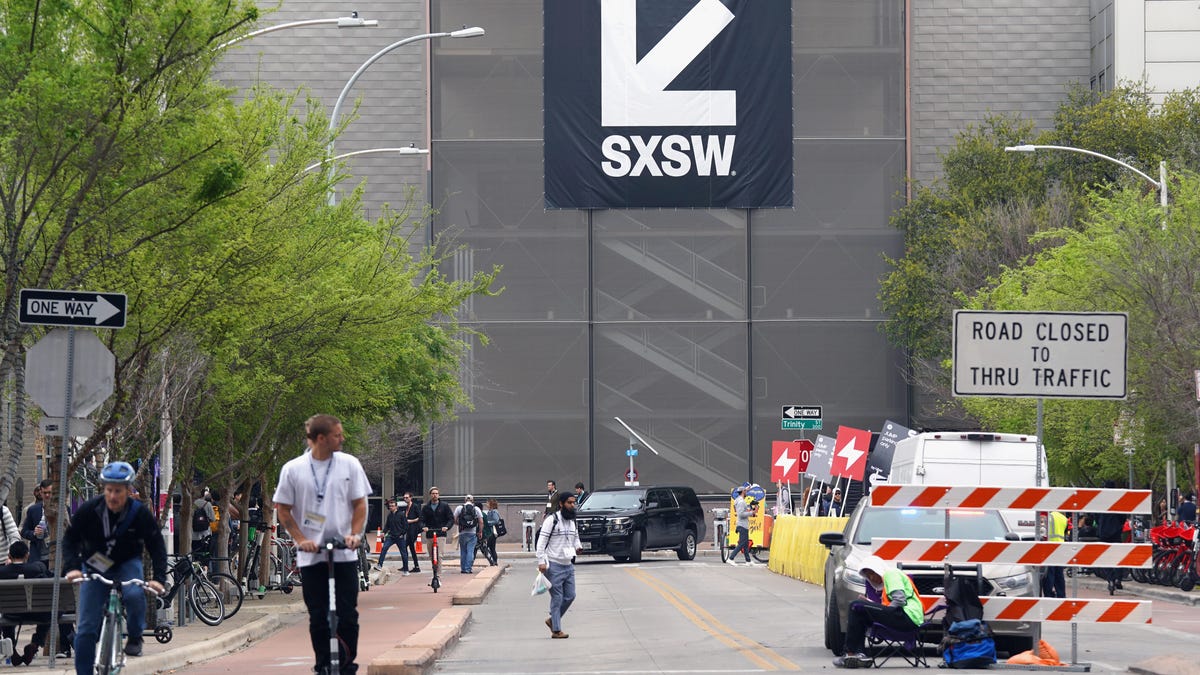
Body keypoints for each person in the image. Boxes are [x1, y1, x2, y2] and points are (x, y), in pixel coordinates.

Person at [274, 414, 371, 675]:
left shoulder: (349, 465)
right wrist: (300, 539)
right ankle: (323, 666)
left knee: (348, 616)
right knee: (318, 617)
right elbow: (283, 509)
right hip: (311, 557)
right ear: (321, 438)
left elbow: (360, 504)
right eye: (338, 435)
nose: (343, 438)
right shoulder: (293, 469)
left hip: (344, 555)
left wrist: (354, 535)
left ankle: (348, 665)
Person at [63, 461, 167, 672]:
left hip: (127, 563)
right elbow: (70, 540)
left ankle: (136, 636)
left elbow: (156, 545)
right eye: (109, 490)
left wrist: (159, 578)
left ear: (128, 491)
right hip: (94, 565)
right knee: (85, 627)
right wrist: (73, 567)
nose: (113, 496)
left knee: (134, 595)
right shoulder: (89, 510)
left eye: (118, 491)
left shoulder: (139, 513)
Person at [832, 555, 923, 668]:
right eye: (868, 576)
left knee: (855, 605)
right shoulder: (887, 580)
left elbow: (899, 600)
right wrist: (874, 607)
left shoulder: (891, 574)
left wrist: (876, 608)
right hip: (903, 618)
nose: (871, 578)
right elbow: (890, 606)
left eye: (872, 573)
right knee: (860, 612)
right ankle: (859, 654)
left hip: (907, 617)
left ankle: (849, 652)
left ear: (878, 569)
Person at [0, 540, 75, 665]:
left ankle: (12, 648)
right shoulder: (38, 567)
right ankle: (35, 643)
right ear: (27, 555)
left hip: (12, 614)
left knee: (7, 611)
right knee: (52, 611)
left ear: (9, 556)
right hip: (38, 613)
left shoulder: (2, 572)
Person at [536, 491, 582, 639]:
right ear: (561, 504)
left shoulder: (572, 520)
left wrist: (578, 546)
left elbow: (575, 537)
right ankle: (556, 630)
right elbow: (541, 542)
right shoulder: (552, 520)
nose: (572, 505)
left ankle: (552, 620)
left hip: (568, 564)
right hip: (553, 564)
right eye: (569, 503)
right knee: (557, 597)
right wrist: (541, 561)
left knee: (570, 596)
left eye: (574, 503)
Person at [1096, 479, 1127, 594]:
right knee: (1118, 557)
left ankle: (1110, 580)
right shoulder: (1118, 500)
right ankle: (1118, 578)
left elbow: (1095, 515)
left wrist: (1100, 525)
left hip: (1103, 532)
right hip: (1116, 532)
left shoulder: (1100, 500)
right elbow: (1123, 517)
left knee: (1105, 558)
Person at [419, 487, 454, 571]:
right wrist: (423, 527)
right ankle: (434, 569)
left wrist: (447, 527)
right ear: (430, 495)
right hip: (430, 533)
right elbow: (421, 520)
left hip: (440, 533)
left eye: (436, 493)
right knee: (431, 555)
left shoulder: (444, 506)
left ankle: (438, 574)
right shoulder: (426, 507)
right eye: (433, 493)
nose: (435, 495)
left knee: (439, 555)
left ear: (438, 495)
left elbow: (451, 518)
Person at [20, 479, 52, 564]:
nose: (47, 495)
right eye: (45, 493)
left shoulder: (63, 509)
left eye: (50, 492)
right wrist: (34, 533)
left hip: (55, 556)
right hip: (38, 557)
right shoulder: (33, 510)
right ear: (41, 493)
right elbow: (24, 531)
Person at [374, 498, 408, 574]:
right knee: (384, 548)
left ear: (396, 507)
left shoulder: (401, 514)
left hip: (400, 537)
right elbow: (387, 526)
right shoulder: (390, 515)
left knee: (403, 553)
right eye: (390, 506)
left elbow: (406, 526)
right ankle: (379, 565)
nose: (391, 507)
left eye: (392, 506)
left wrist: (402, 534)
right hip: (391, 536)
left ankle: (406, 569)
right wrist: (383, 532)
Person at [453, 495, 483, 574]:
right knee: (470, 551)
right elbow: (481, 522)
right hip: (472, 533)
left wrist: (460, 524)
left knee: (463, 551)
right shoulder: (476, 509)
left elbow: (454, 519)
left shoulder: (459, 508)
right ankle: (468, 569)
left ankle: (463, 569)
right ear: (473, 500)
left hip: (462, 532)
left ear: (465, 500)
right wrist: (480, 532)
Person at [1041, 510, 1067, 598]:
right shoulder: (1064, 518)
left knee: (1049, 573)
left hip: (1049, 547)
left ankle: (1048, 594)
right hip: (1060, 548)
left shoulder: (1049, 517)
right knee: (1059, 574)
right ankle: (1061, 595)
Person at [727, 486, 755, 566]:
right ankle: (731, 558)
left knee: (745, 544)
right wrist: (751, 513)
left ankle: (748, 561)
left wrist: (747, 488)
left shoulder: (738, 500)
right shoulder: (741, 502)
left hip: (742, 525)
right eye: (745, 491)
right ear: (743, 492)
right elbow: (741, 514)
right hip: (742, 525)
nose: (747, 492)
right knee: (742, 543)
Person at [191, 487, 215, 557]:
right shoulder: (207, 504)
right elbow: (213, 519)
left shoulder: (191, 504)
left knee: (195, 554)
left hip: (193, 534)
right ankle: (205, 567)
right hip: (205, 534)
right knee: (205, 555)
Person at [402, 492, 421, 574]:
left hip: (414, 529)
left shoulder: (415, 506)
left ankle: (408, 565)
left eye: (407, 497)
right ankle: (415, 566)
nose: (405, 499)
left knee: (405, 546)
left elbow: (420, 517)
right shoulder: (406, 507)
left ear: (411, 498)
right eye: (404, 497)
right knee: (411, 548)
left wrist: (411, 521)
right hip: (408, 529)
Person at [482, 498, 501, 565]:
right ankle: (494, 561)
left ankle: (493, 561)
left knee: (488, 547)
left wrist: (487, 523)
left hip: (492, 532)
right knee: (491, 547)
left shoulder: (494, 512)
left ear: (491, 504)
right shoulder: (491, 511)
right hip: (491, 532)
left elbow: (496, 521)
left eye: (487, 503)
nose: (486, 504)